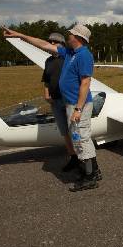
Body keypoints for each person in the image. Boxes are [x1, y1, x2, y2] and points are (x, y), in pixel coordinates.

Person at [3, 24, 101, 190]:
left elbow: (85, 83)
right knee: (78, 138)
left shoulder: (84, 55)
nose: (67, 36)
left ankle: (90, 177)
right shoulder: (70, 52)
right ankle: (93, 171)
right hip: (71, 104)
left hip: (79, 105)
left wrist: (78, 109)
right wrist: (19, 35)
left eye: (70, 34)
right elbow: (43, 44)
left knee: (81, 139)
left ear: (77, 38)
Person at [42, 32, 79, 172]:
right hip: (55, 101)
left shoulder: (68, 58)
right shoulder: (48, 61)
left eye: (54, 42)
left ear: (62, 45)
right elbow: (46, 79)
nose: (51, 44)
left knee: (74, 130)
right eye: (49, 41)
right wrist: (47, 95)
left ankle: (83, 158)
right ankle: (73, 157)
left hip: (69, 100)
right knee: (64, 131)